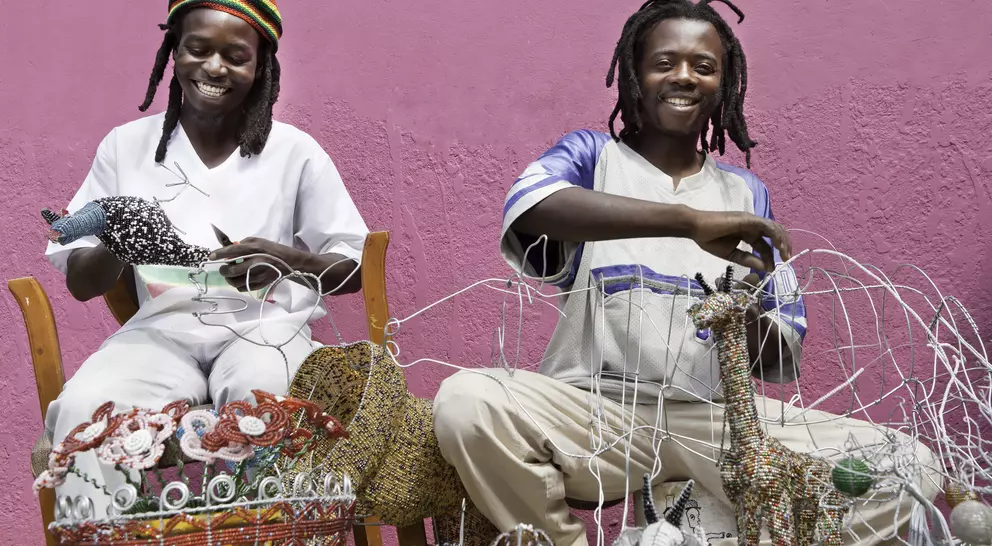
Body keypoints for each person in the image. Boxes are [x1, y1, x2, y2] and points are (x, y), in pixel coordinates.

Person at [432, 1, 940, 544]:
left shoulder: (747, 195)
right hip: (596, 412)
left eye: (703, 66)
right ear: (634, 74)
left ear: (724, 85)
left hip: (715, 421)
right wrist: (689, 222)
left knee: (908, 466)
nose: (684, 77)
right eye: (664, 62)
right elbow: (533, 207)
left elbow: (777, 351)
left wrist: (743, 313)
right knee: (466, 402)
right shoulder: (592, 158)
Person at [43, 0, 368, 513]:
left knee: (268, 392)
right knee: (85, 407)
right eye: (198, 49)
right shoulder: (126, 147)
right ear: (174, 51)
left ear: (261, 67)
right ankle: (102, 532)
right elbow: (81, 284)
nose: (214, 68)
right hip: (160, 335)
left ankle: (267, 533)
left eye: (236, 57)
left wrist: (285, 260)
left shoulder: (295, 152)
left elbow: (354, 267)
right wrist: (119, 237)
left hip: (263, 330)